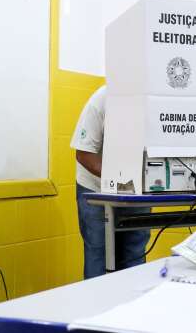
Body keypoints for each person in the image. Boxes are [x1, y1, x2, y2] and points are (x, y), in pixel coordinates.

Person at [70, 85, 150, 279]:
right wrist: (118, 178)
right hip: (95, 188)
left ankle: (132, 306)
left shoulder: (153, 103)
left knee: (134, 253)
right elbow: (83, 154)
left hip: (136, 188)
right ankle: (97, 306)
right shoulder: (101, 99)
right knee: (98, 253)